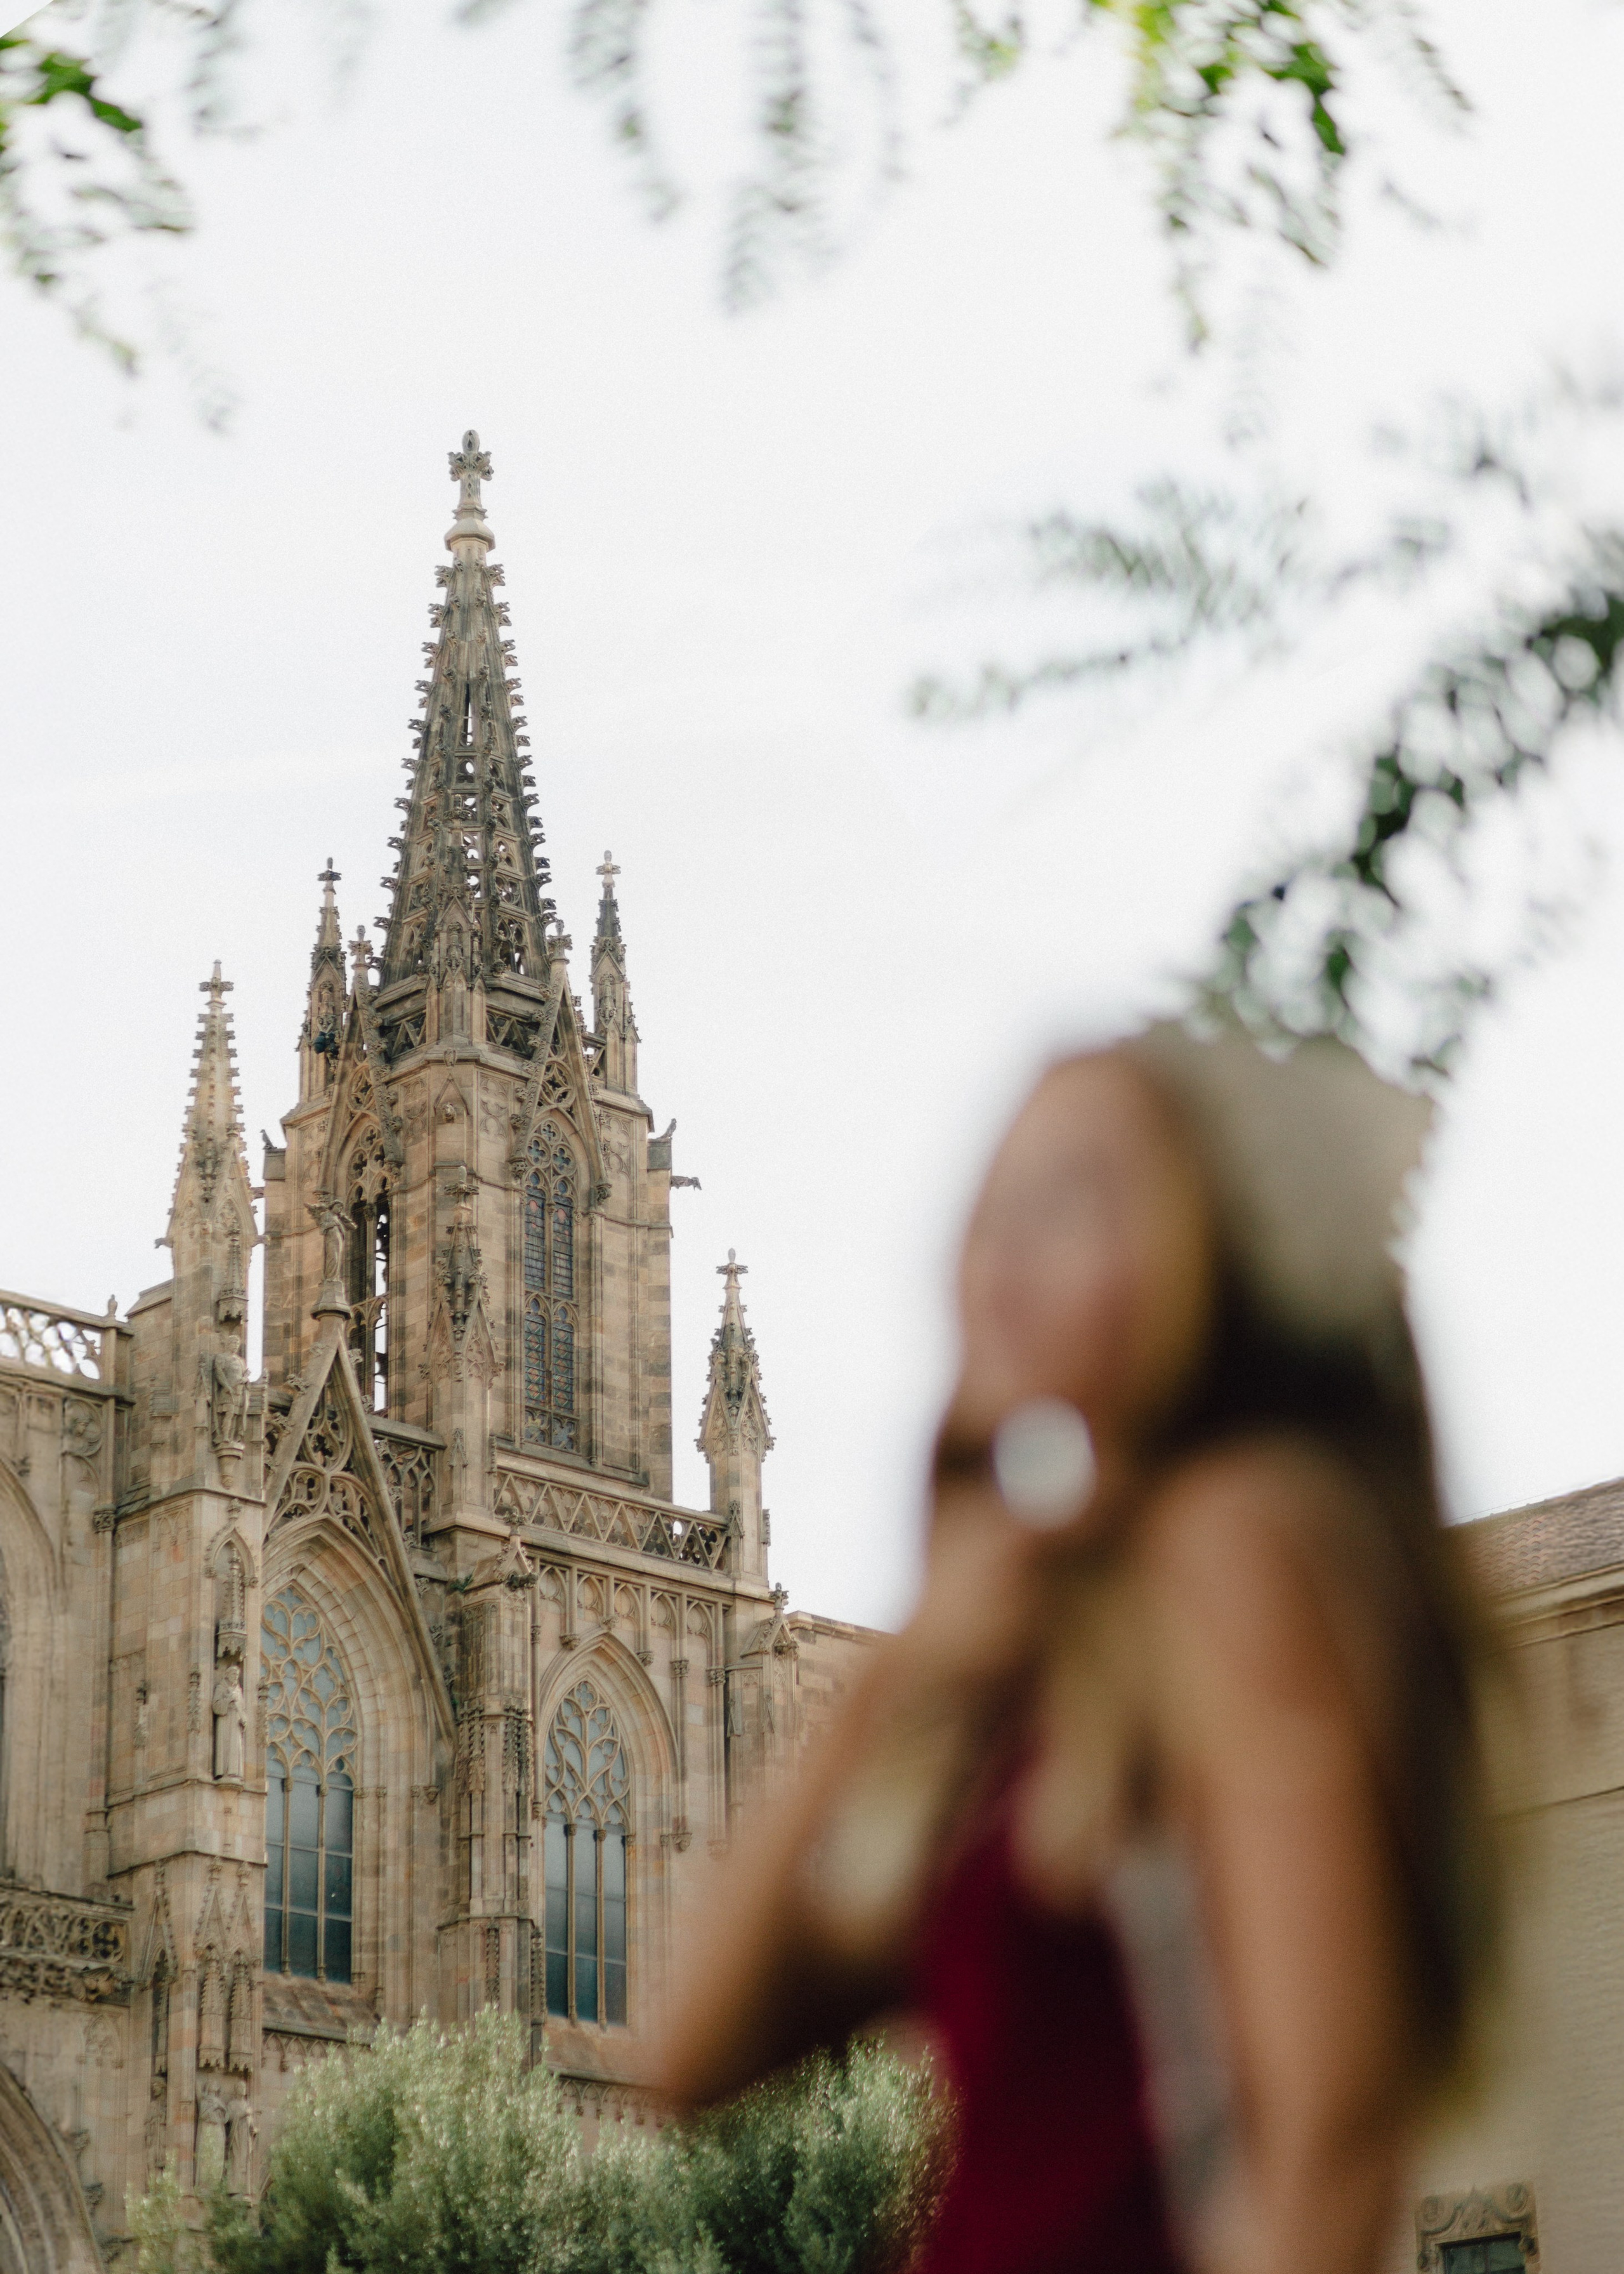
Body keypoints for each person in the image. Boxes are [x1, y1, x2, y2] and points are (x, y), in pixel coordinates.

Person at [656, 1022, 1502, 2274]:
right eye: (990, 1202)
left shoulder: (1238, 1553)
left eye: (1070, 1201)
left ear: (1200, 1256)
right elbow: (692, 2055)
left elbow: (1329, 2140)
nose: (997, 1252)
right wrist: (905, 1661)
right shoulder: (1046, 1649)